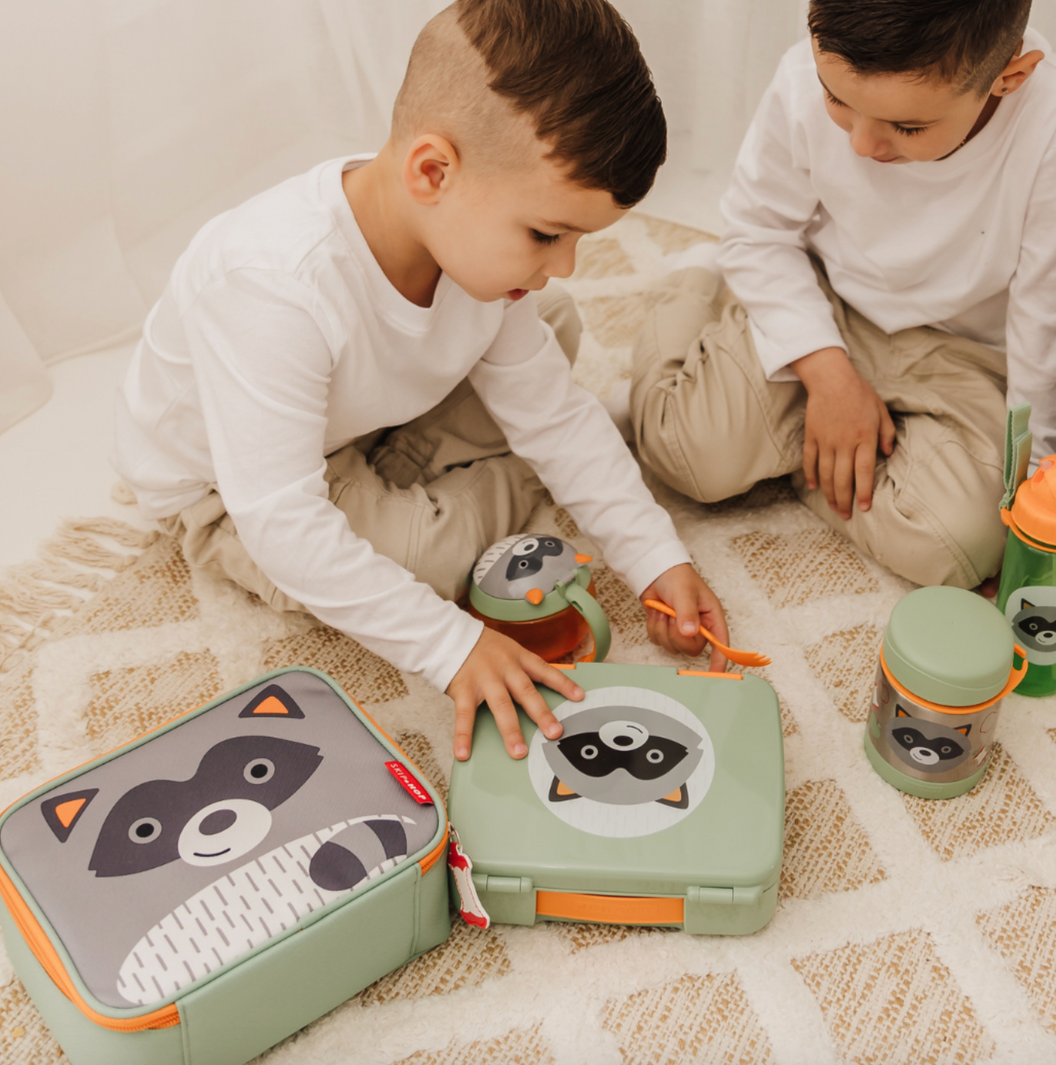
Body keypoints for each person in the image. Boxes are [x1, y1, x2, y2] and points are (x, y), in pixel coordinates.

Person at [113, 0, 730, 763]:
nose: (565, 263)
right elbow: (283, 523)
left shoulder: (460, 232)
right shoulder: (273, 286)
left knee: (553, 321)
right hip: (226, 494)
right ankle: (499, 479)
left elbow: (555, 415)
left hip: (362, 417)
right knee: (427, 562)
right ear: (432, 171)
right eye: (547, 234)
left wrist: (655, 557)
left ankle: (459, 470)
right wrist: (455, 646)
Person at [631, 0, 1055, 593]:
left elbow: (1042, 327)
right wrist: (829, 377)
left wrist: (1035, 488)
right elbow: (758, 233)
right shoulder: (802, 79)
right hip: (826, 299)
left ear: (1009, 77)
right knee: (683, 451)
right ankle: (697, 283)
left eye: (907, 128)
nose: (861, 143)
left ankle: (806, 456)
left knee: (963, 547)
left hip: (965, 352)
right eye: (837, 100)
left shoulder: (1046, 137)